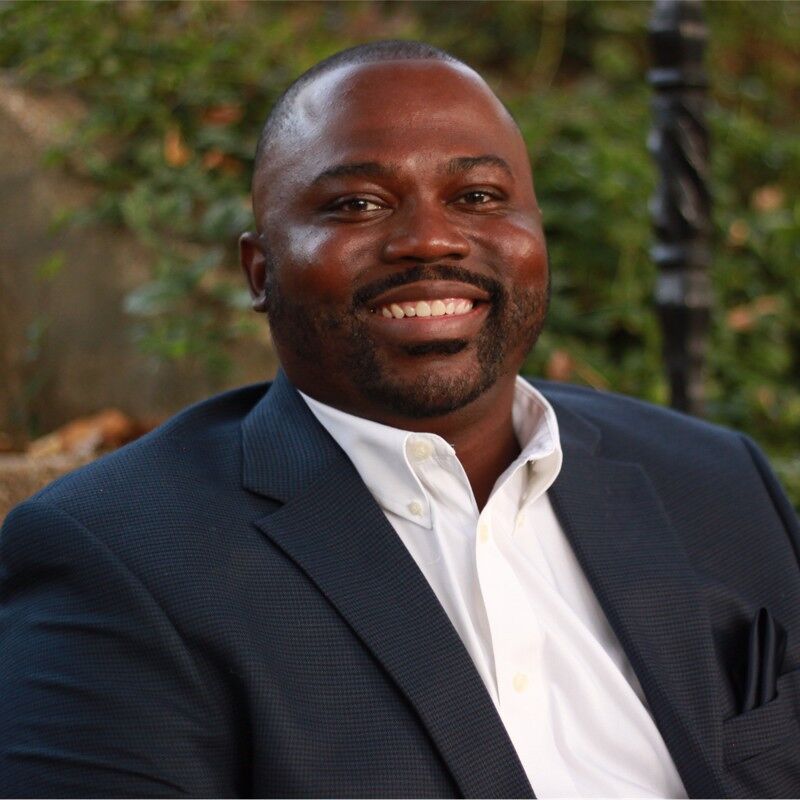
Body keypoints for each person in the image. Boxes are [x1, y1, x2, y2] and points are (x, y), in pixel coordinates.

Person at [1, 40, 799, 799]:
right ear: (259, 269)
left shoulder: (717, 483)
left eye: (479, 197)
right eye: (357, 204)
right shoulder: (118, 562)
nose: (430, 239)